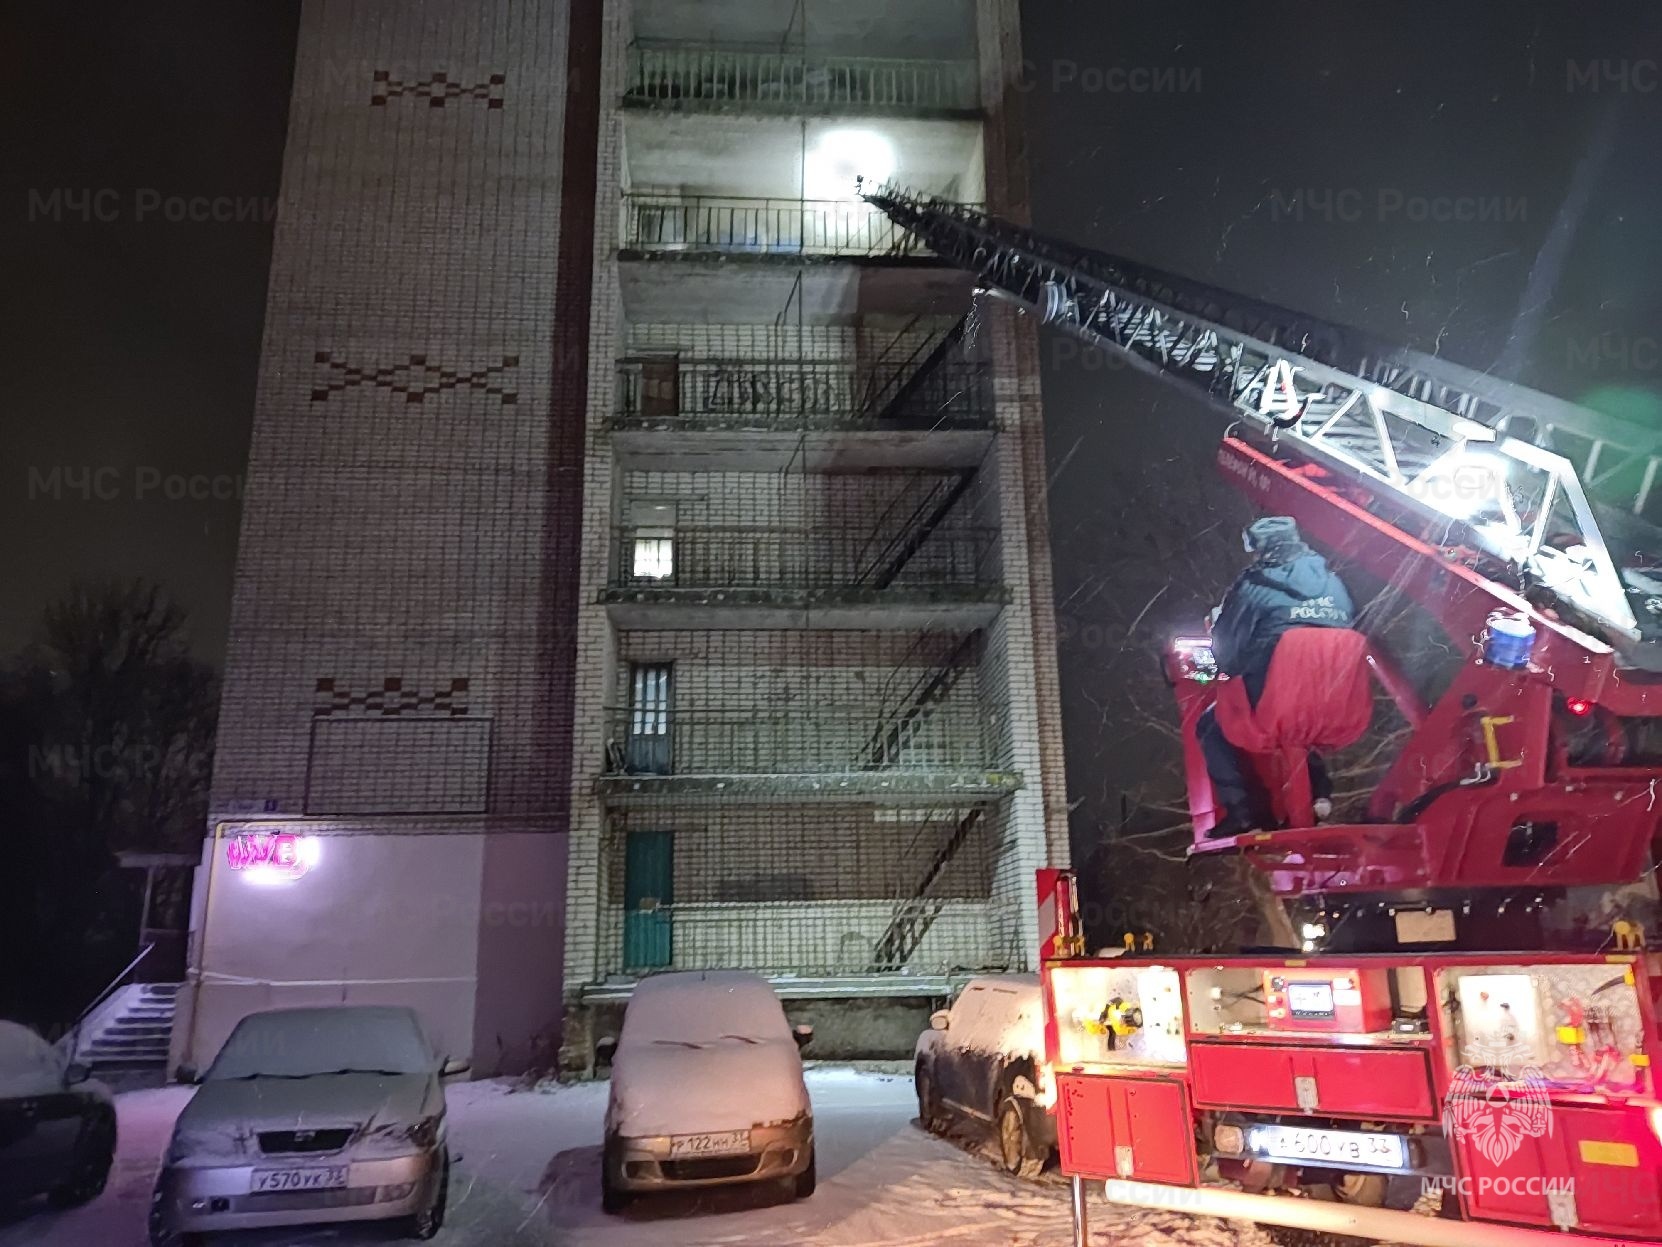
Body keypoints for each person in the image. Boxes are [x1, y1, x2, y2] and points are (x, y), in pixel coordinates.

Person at [1198, 516, 1355, 836]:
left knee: (1211, 725)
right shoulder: (1334, 582)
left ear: (1260, 550)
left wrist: (1223, 638)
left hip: (1276, 703)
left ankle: (1243, 813)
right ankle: (1318, 794)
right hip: (1338, 703)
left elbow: (1226, 655)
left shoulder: (1254, 586)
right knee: (1302, 718)